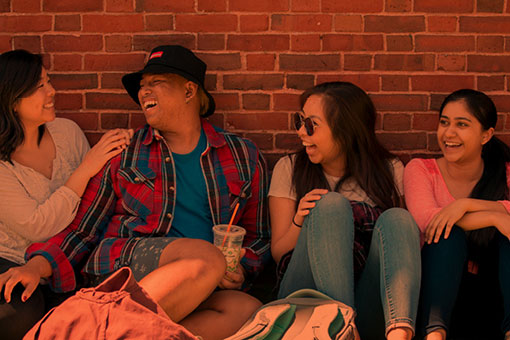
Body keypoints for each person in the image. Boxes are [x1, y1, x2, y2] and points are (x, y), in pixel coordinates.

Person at [0, 45, 270, 340]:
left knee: (249, 310)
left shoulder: (243, 156)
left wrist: (242, 268)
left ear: (189, 91)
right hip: (128, 267)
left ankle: (116, 332)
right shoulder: (125, 153)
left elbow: (257, 237)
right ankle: (85, 329)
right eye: (142, 86)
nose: (144, 92)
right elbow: (82, 229)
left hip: (201, 281)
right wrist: (36, 267)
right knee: (206, 257)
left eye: (156, 83)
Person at [269, 81, 421, 340]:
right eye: (300, 121)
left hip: (367, 303)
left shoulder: (389, 170)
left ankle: (399, 333)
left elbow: (398, 250)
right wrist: (299, 222)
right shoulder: (289, 168)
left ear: (346, 130)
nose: (301, 133)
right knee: (328, 204)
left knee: (399, 218)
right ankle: (342, 329)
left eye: (311, 125)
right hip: (305, 304)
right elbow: (278, 253)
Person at [0, 49, 133, 339]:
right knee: (20, 313)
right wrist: (85, 169)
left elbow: (92, 204)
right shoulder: (1, 165)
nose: (52, 91)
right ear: (11, 101)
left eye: (49, 81)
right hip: (11, 260)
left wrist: (121, 147)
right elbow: (37, 226)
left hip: (66, 254)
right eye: (40, 87)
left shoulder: (67, 132)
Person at [404, 89, 510, 340]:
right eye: (444, 122)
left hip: (494, 299)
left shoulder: (504, 173)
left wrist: (466, 204)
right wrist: (495, 216)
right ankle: (434, 336)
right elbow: (430, 221)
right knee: (445, 236)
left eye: (461, 124)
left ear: (486, 135)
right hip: (439, 299)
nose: (449, 133)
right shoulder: (420, 170)